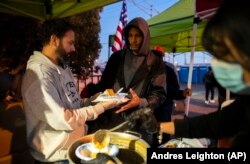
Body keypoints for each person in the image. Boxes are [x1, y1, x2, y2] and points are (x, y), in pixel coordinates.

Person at [21, 19, 126, 163]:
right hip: (54, 158)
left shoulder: (63, 68)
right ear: (54, 40)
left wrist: (97, 99)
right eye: (70, 43)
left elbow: (74, 104)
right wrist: (100, 107)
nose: (73, 48)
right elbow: (64, 118)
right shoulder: (38, 75)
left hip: (73, 148)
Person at [158, 0, 250, 148]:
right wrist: (160, 127)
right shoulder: (245, 102)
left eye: (224, 52)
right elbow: (214, 123)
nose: (215, 62)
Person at [85, 17, 167, 144]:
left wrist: (141, 101)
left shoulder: (155, 61)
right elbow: (104, 85)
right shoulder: (116, 57)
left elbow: (159, 94)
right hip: (110, 119)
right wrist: (92, 92)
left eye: (138, 36)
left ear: (145, 36)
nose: (133, 40)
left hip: (138, 122)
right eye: (130, 35)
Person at [151, 46, 192, 147]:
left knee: (163, 135)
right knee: (154, 134)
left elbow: (174, 90)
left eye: (158, 56)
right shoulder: (148, 70)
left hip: (164, 108)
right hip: (151, 108)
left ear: (162, 57)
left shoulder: (168, 70)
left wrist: (182, 94)